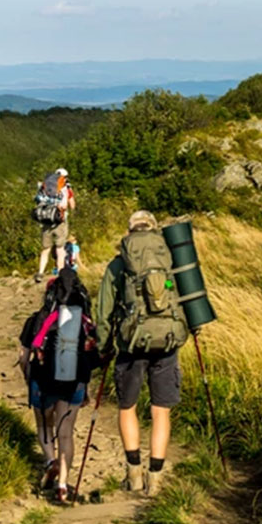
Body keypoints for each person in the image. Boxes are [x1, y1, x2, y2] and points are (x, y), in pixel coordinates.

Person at [96, 210, 189, 497]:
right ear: (153, 230)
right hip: (168, 342)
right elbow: (183, 296)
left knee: (128, 408)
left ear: (129, 232)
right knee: (160, 411)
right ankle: (156, 478)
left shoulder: (118, 265)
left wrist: (103, 347)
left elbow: (103, 312)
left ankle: (133, 474)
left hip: (130, 345)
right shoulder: (169, 259)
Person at [18, 268, 98, 503]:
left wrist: (27, 378)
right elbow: (94, 356)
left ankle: (50, 461)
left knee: (45, 426)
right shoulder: (85, 322)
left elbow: (24, 356)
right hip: (73, 384)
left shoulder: (37, 320)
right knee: (66, 434)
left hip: (42, 381)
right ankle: (63, 484)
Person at [36, 168, 76, 283]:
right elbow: (72, 205)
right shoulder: (66, 188)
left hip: (46, 221)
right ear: (65, 177)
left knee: (45, 249)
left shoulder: (46, 186)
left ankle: (40, 272)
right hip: (59, 221)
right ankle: (60, 273)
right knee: (60, 248)